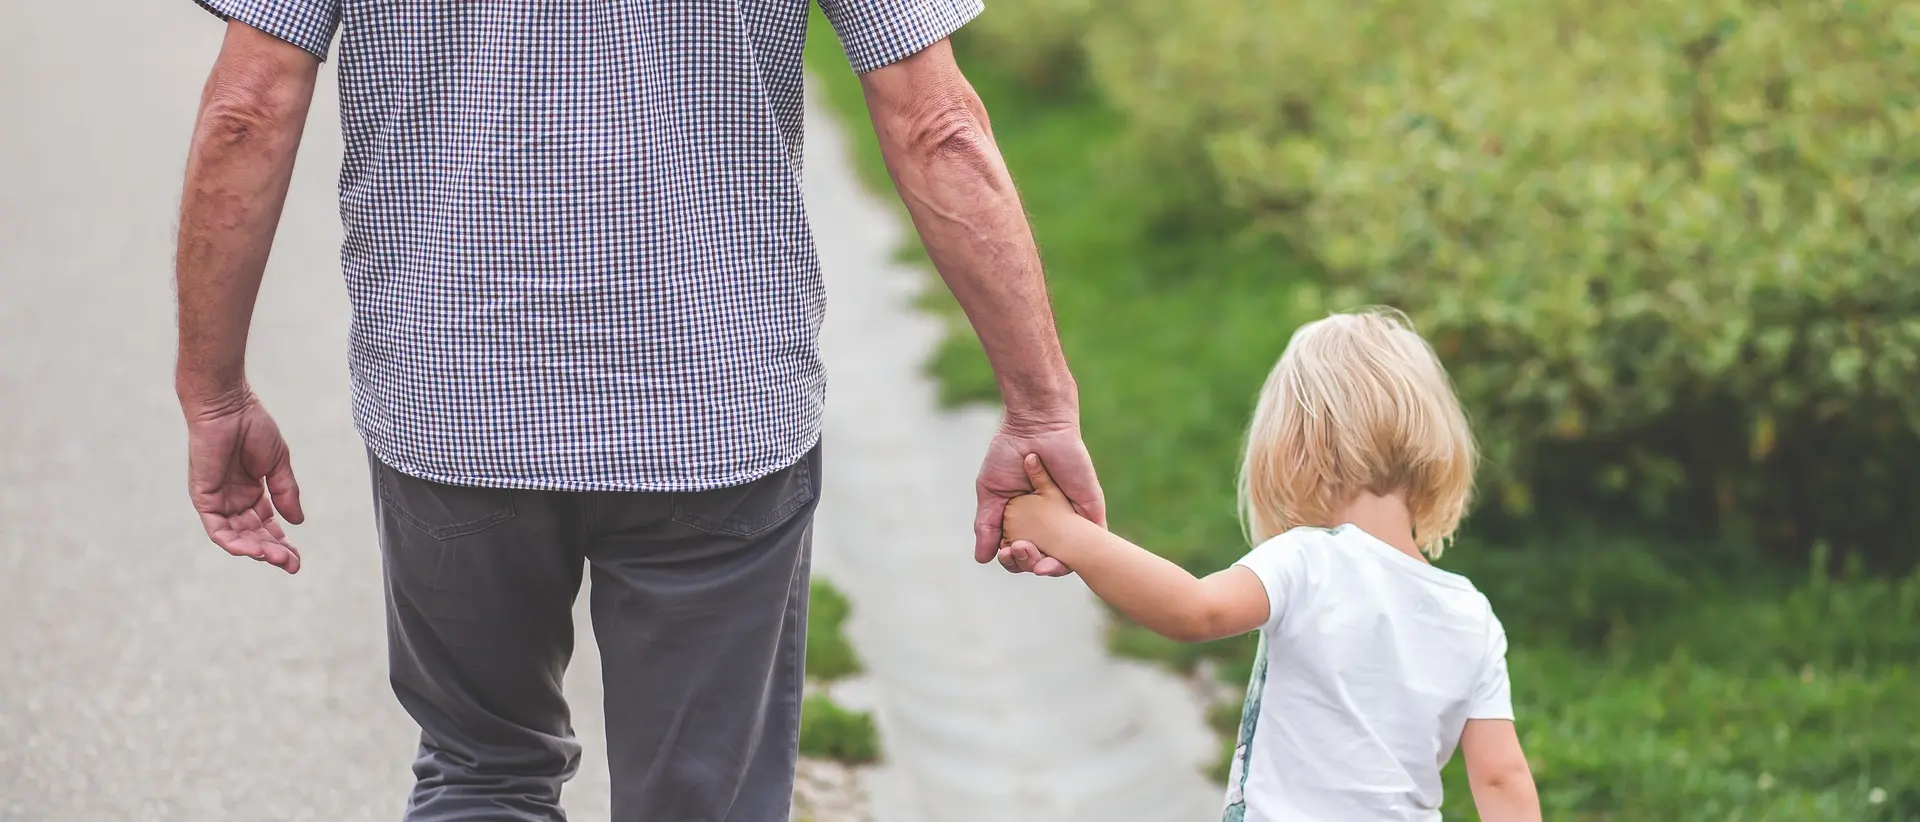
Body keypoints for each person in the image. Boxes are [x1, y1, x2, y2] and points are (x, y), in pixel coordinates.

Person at [171, 1, 1104, 819]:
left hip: (452, 403)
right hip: (715, 407)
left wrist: (215, 392)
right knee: (709, 799)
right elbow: (934, 121)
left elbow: (247, 111)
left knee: (480, 774)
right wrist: (1039, 407)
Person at [999, 308, 1542, 822]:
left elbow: (1194, 611)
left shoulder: (1309, 558)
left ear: (1299, 448)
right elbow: (1501, 778)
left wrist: (1065, 533)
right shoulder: (1470, 612)